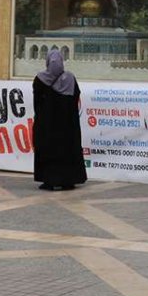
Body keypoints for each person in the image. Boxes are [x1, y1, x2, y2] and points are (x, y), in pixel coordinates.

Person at [32, 50, 87, 191]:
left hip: (47, 125)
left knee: (48, 149)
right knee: (67, 149)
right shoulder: (70, 78)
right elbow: (76, 98)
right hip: (68, 125)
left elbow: (37, 102)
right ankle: (68, 180)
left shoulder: (40, 79)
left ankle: (49, 181)